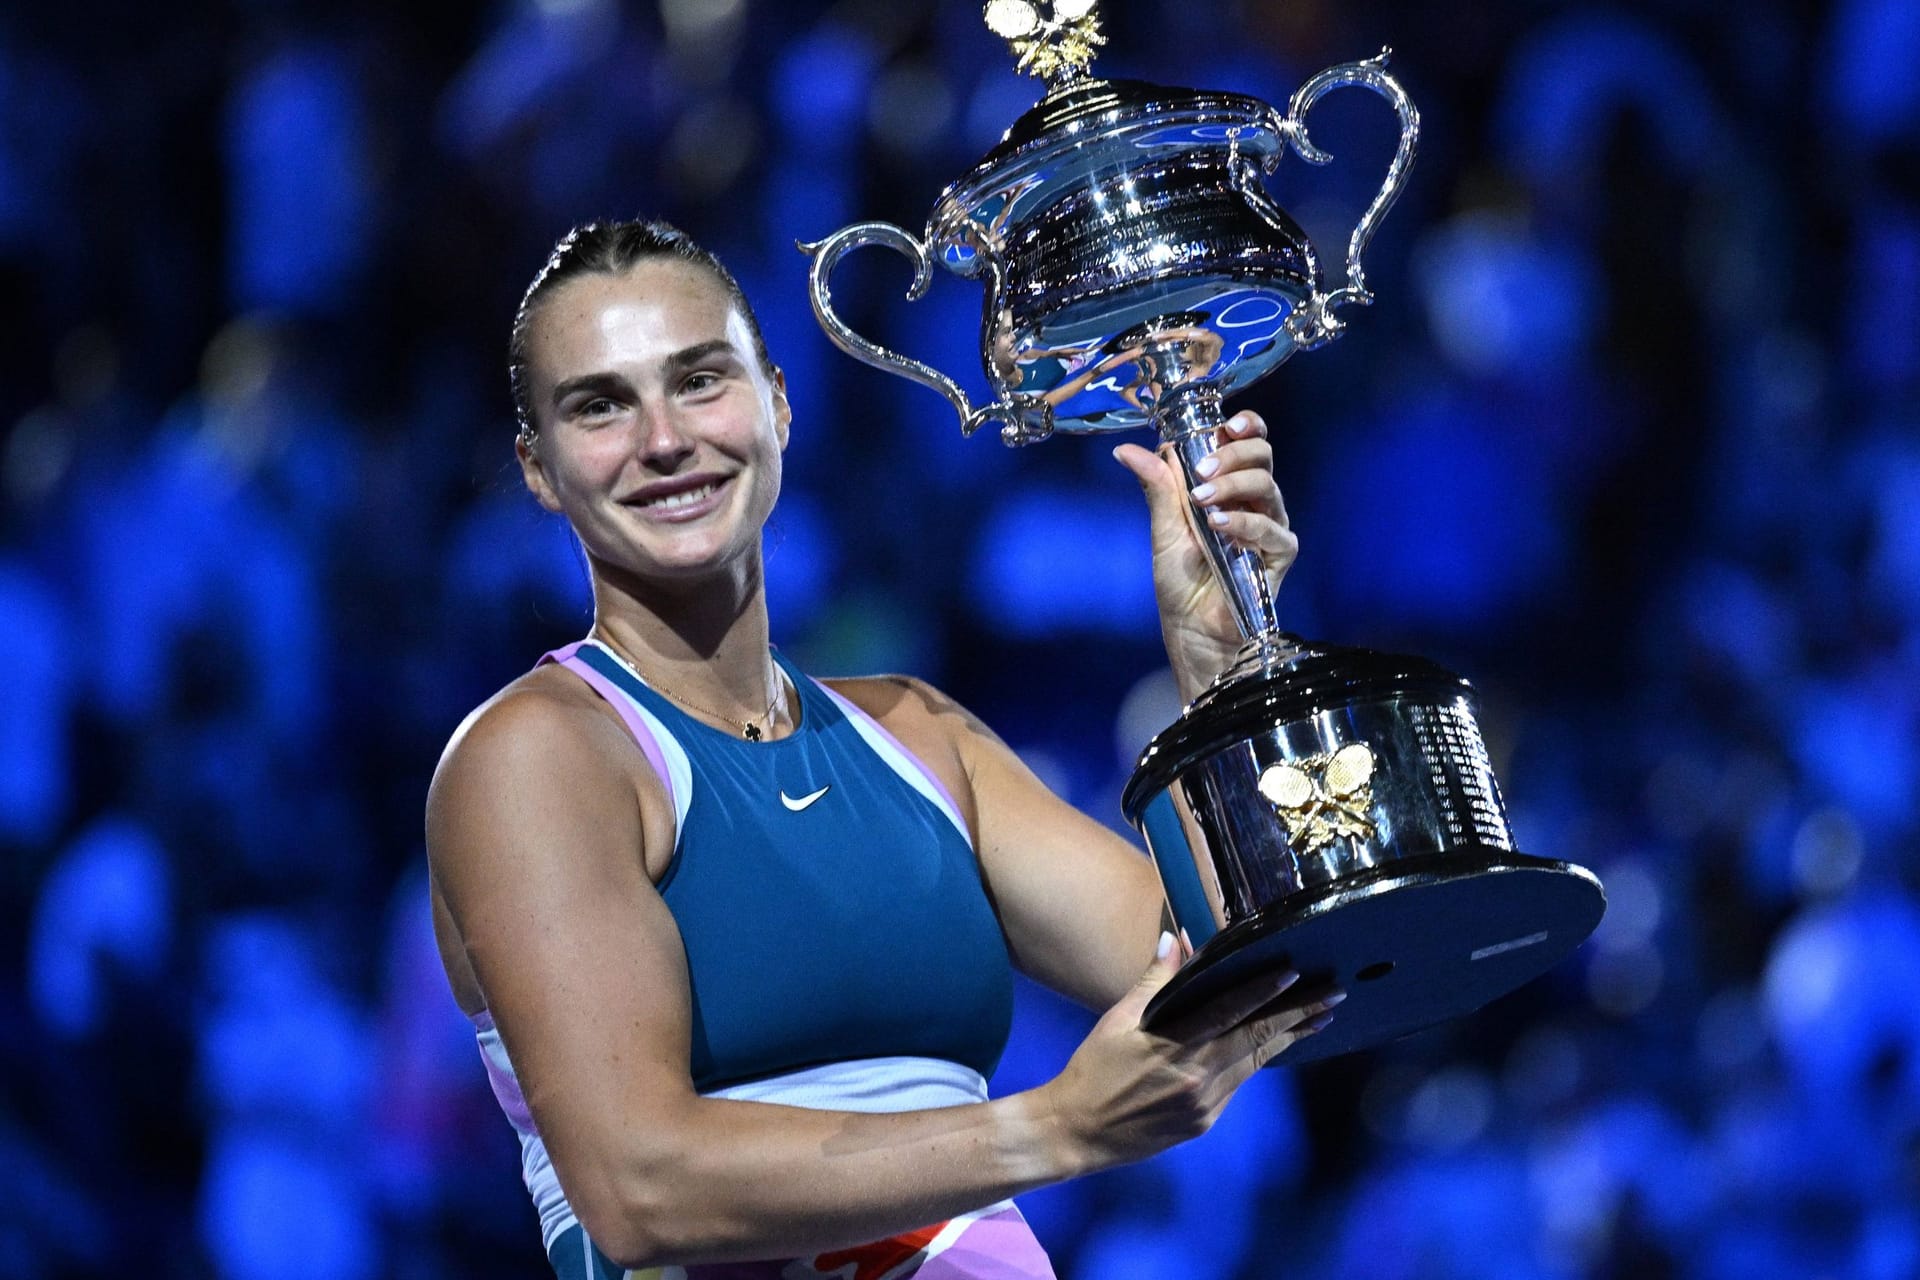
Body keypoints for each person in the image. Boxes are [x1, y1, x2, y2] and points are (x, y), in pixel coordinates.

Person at [425, 218, 1342, 1280]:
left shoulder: (918, 732)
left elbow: (1238, 971)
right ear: (538, 468)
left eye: (700, 380)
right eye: (601, 404)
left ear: (778, 400)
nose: (664, 438)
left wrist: (1215, 657)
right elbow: (640, 1186)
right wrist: (1051, 1129)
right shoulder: (537, 757)